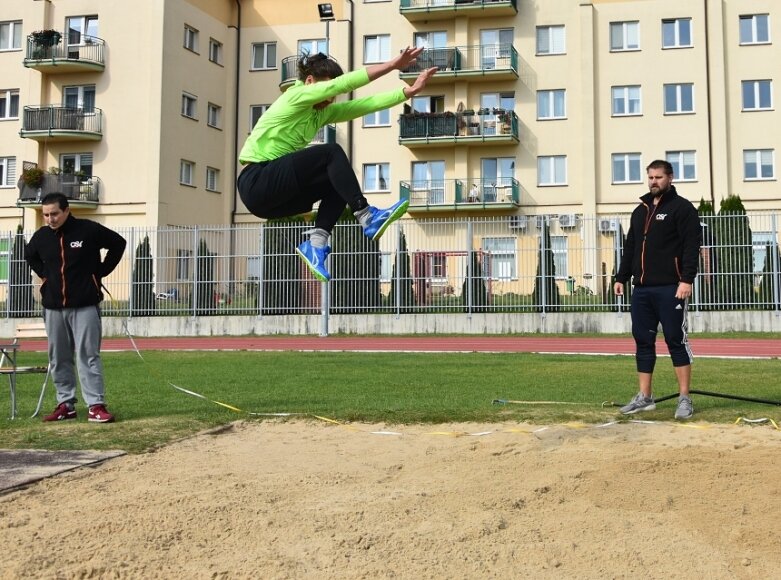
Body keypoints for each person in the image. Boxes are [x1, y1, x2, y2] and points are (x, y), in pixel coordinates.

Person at [237, 47, 437, 282]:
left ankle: (316, 244)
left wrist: (407, 92)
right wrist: (393, 64)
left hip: (272, 203)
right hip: (257, 180)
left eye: (332, 97)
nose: (330, 99)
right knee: (331, 152)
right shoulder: (295, 95)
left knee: (336, 181)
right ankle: (366, 215)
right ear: (310, 82)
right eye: (326, 91)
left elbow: (362, 106)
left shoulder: (319, 114)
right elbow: (343, 84)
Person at [24, 193, 127, 423]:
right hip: (53, 308)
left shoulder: (87, 230)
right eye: (46, 215)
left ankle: (96, 406)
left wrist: (100, 272)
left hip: (85, 305)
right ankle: (66, 404)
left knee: (88, 355)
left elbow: (118, 243)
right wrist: (45, 276)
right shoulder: (41, 236)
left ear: (67, 210)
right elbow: (29, 255)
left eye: (54, 214)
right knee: (59, 357)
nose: (50, 219)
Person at [614, 160, 702, 420]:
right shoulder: (639, 211)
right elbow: (630, 247)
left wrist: (686, 280)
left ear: (670, 178)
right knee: (643, 341)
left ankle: (684, 398)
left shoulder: (682, 209)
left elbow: (691, 246)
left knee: (675, 340)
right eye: (650, 177)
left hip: (671, 288)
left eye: (659, 177)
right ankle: (645, 397)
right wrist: (622, 277)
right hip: (642, 290)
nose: (654, 181)